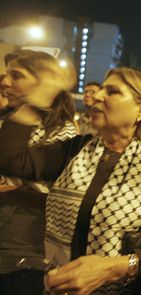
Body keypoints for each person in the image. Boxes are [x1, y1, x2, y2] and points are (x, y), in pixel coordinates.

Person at [0, 67, 141, 294]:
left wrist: (115, 268)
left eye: (112, 92)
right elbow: (9, 160)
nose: (97, 96)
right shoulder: (75, 149)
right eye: (100, 90)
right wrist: (37, 100)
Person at [0, 49, 78, 295]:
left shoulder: (61, 134)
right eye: (5, 74)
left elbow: (61, 201)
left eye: (17, 75)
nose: (5, 81)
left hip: (26, 252)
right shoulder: (6, 121)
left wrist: (10, 193)